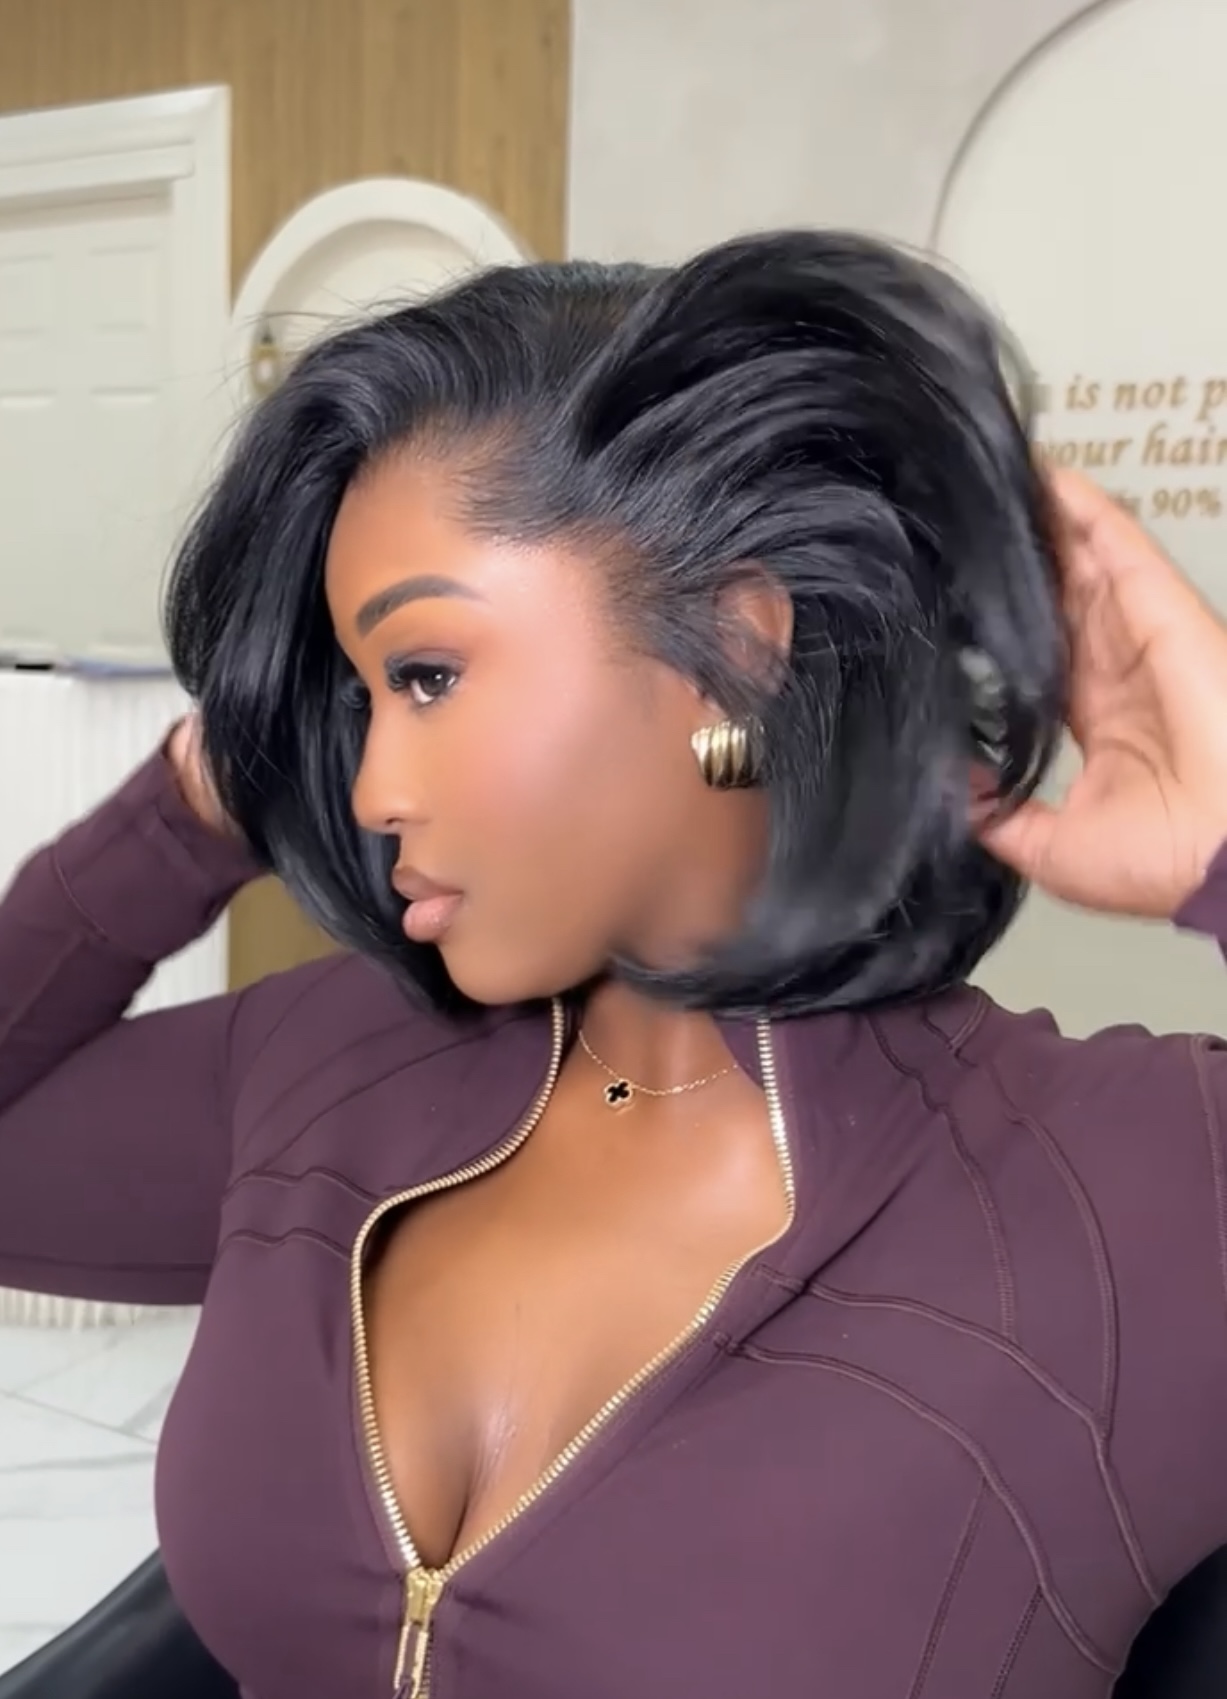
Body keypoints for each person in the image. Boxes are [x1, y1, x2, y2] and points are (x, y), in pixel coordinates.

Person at [1, 231, 1225, 1699]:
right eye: (359, 692)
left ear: (734, 652)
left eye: (427, 674)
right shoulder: (324, 1062)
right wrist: (191, 805)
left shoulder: (1119, 1195)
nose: (373, 786)